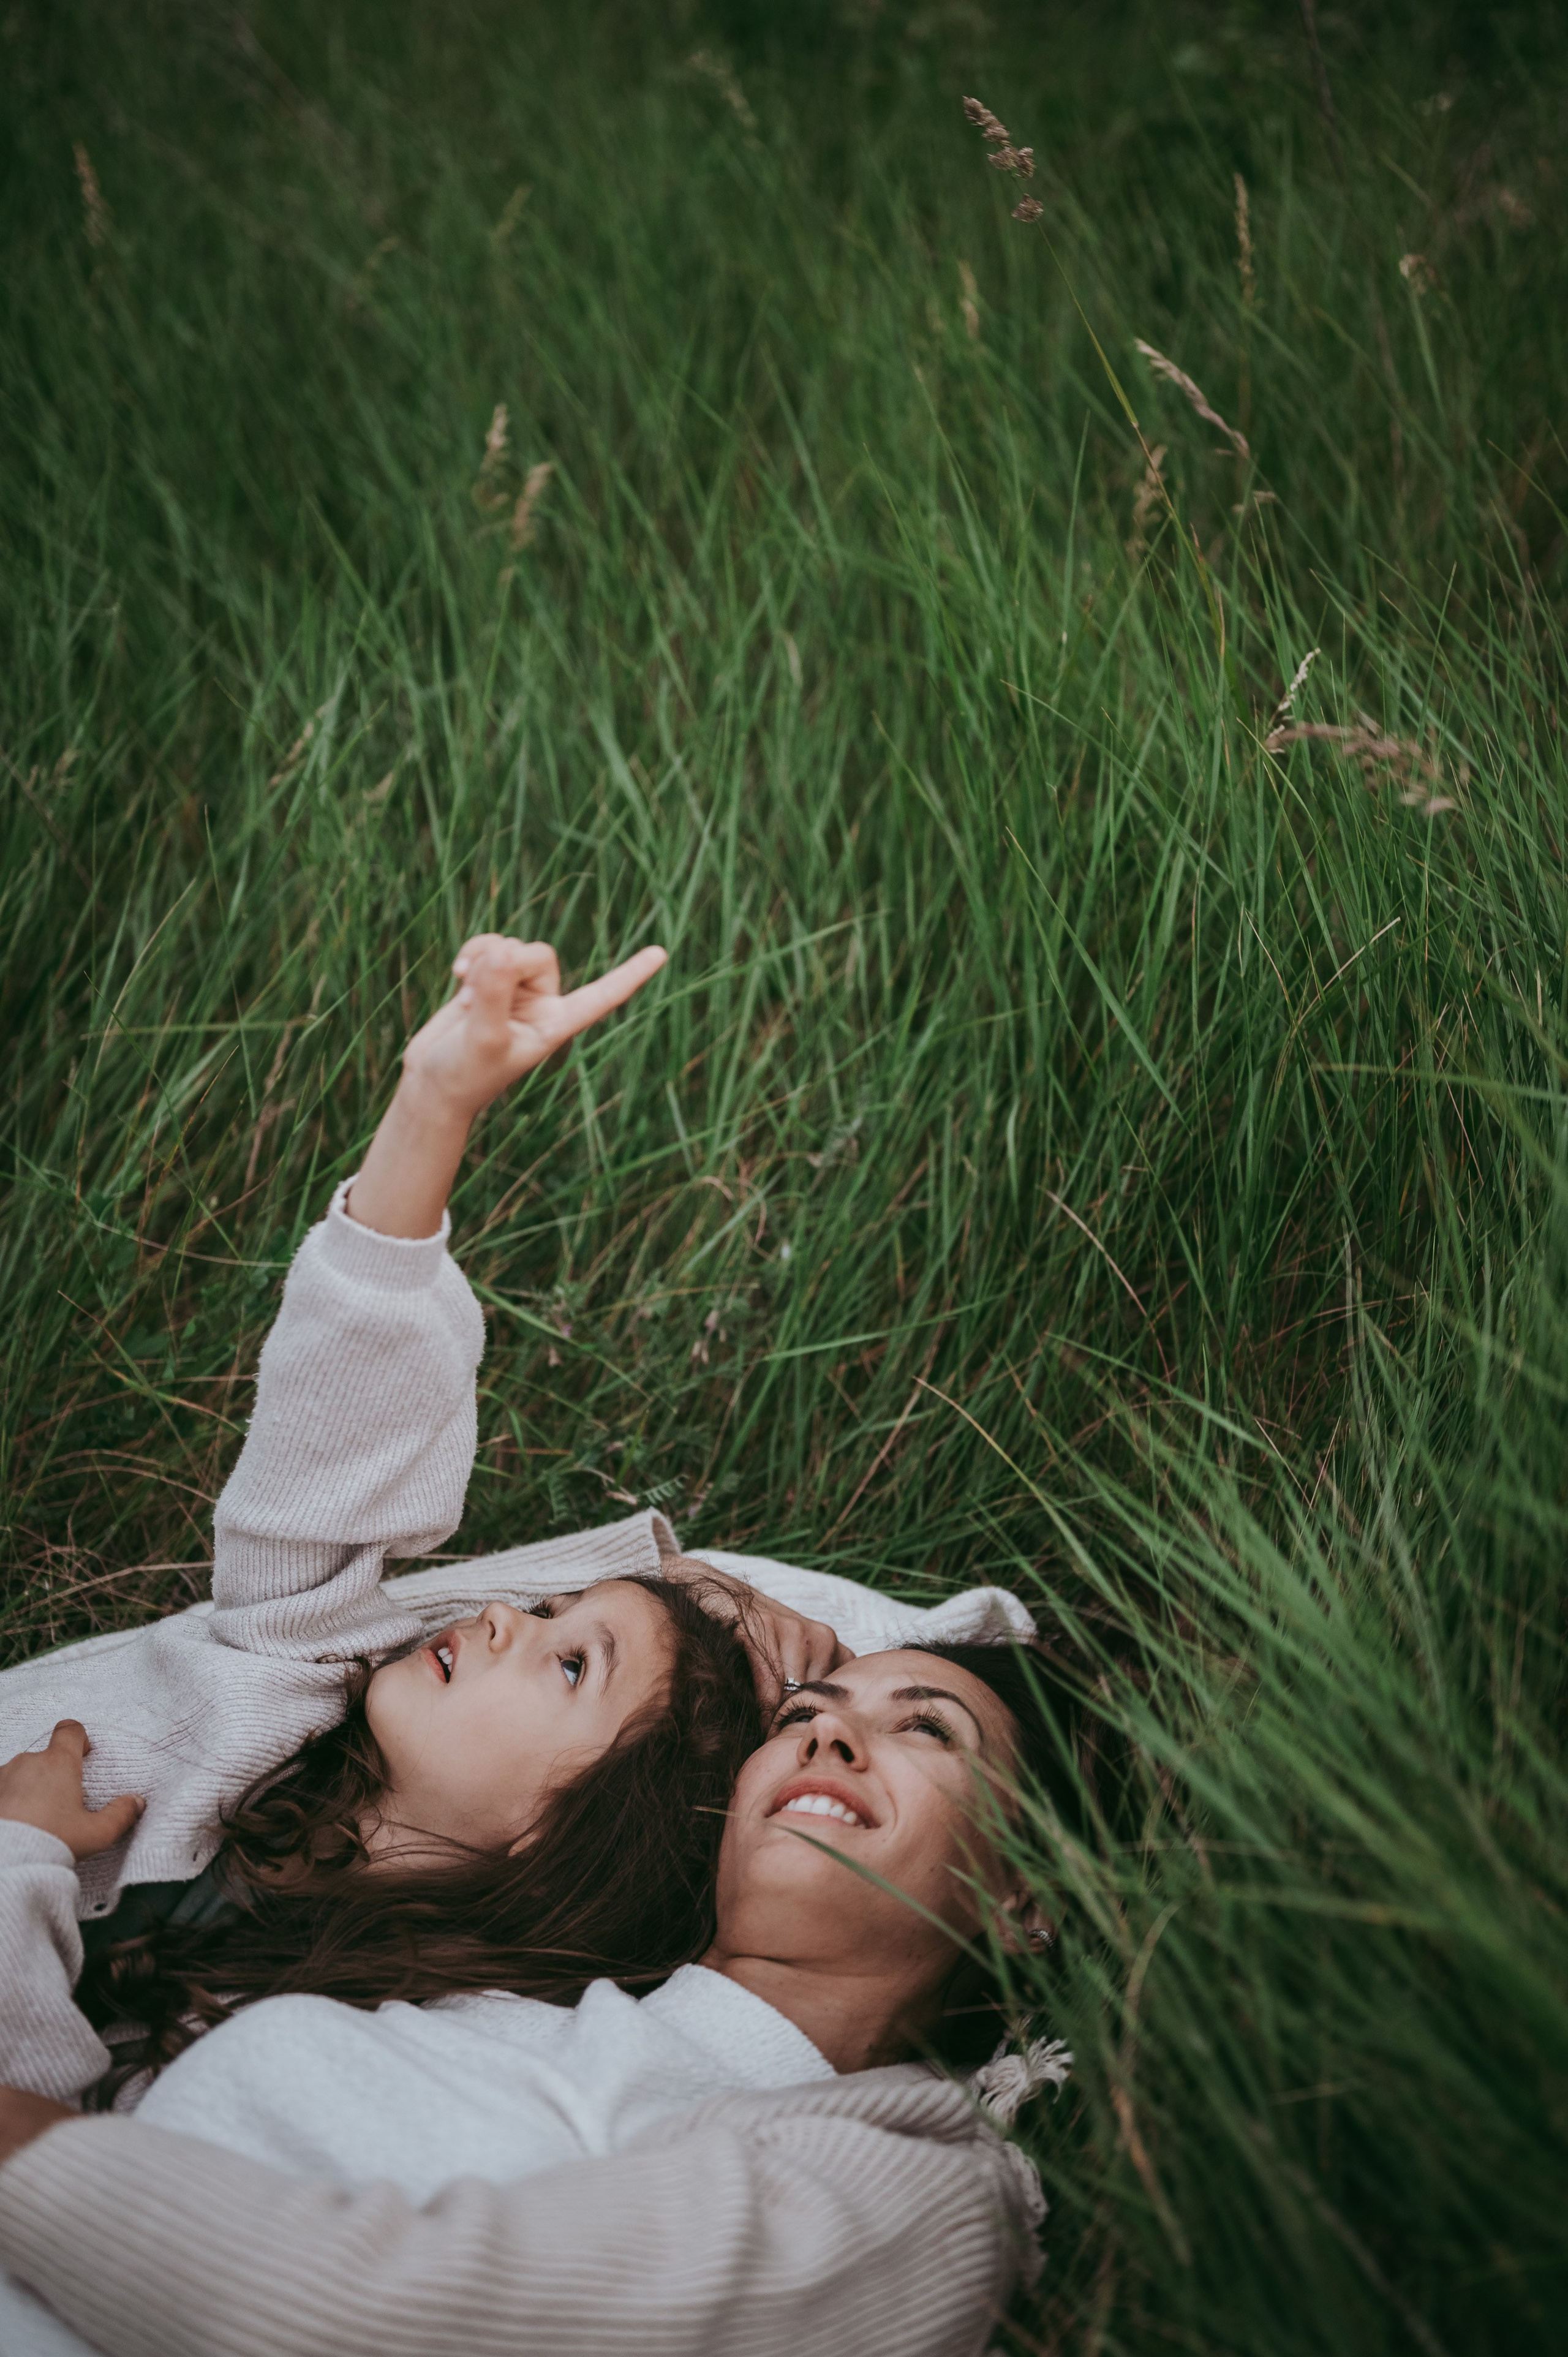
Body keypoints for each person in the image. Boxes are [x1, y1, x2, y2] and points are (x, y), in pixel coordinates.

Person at [0, 931, 1033, 2104]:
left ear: (563, 1827)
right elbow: (341, 1427)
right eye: (547, 1609)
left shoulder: (420, 2032)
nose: (497, 1611)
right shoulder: (294, 1668)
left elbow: (50, 2169)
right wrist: (433, 1105)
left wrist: (19, 1864)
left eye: (570, 1663)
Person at [0, 1636, 1068, 2357]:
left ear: (1030, 1897)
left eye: (927, 1729)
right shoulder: (495, 1988)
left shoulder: (925, 2196)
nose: (827, 1736)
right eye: (800, 1711)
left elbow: (397, 2317)